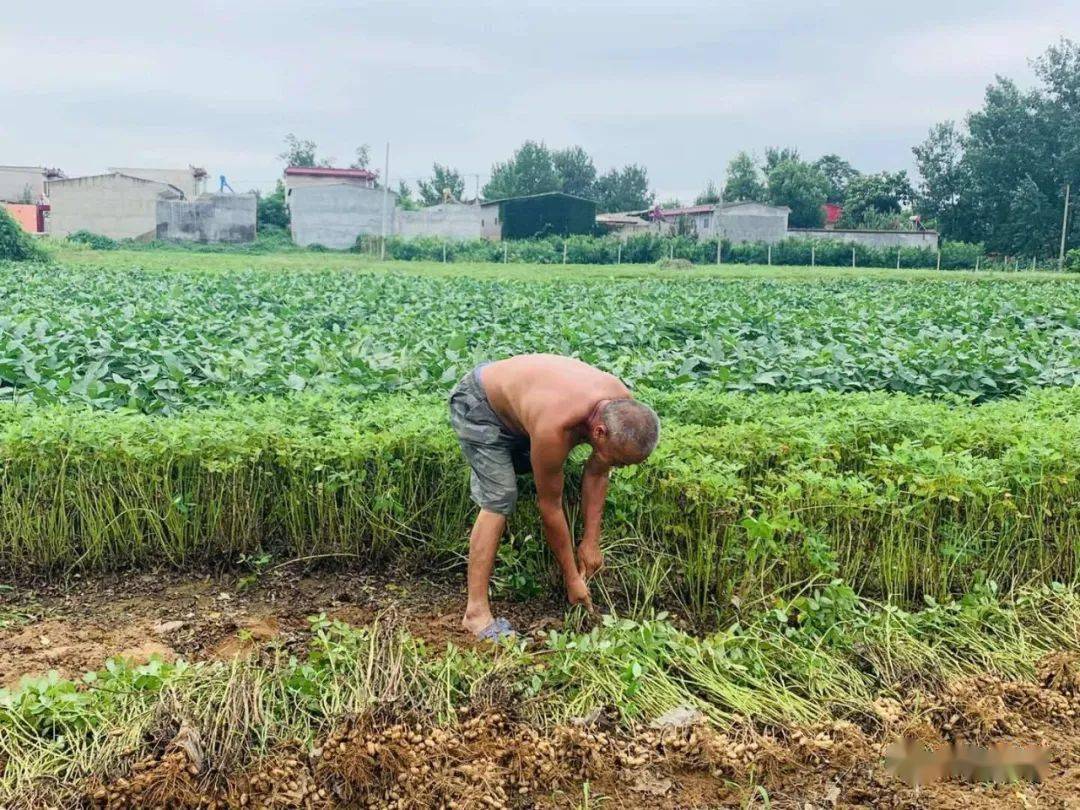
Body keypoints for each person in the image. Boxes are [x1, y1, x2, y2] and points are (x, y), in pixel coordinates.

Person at [448, 354, 661, 640]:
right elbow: (550, 507)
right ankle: (475, 614)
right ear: (599, 432)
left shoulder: (622, 407)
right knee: (500, 495)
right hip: (479, 404)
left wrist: (590, 542)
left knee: (544, 468)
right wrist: (572, 577)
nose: (619, 467)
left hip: (523, 409)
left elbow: (598, 472)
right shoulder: (555, 427)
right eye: (620, 461)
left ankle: (513, 458)